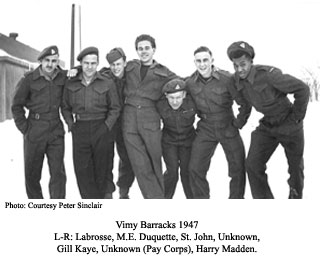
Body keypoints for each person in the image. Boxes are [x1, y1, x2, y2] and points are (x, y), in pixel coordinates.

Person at [227, 41, 309, 199]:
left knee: (295, 169)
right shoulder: (235, 81)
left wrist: (296, 118)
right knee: (252, 164)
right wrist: (237, 123)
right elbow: (244, 104)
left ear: (251, 61)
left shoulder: (269, 75)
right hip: (268, 126)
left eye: (243, 64)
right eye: (235, 65)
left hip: (289, 123)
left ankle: (295, 201)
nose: (239, 69)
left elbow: (302, 89)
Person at [186, 46, 251, 199]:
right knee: (195, 168)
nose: (202, 64)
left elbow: (244, 103)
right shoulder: (190, 82)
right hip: (205, 128)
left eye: (205, 60)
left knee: (238, 167)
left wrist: (238, 124)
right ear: (194, 62)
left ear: (212, 60)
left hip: (227, 126)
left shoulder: (227, 78)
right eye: (198, 61)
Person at [62, 46, 121, 199]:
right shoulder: (71, 83)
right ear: (81, 63)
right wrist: (71, 125)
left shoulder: (106, 82)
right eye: (86, 63)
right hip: (80, 128)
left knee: (103, 168)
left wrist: (106, 127)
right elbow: (65, 107)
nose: (89, 67)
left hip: (101, 127)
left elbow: (115, 108)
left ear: (98, 64)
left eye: (93, 63)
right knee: (82, 169)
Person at [123, 34, 177, 199]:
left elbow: (182, 83)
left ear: (154, 49)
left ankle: (158, 198)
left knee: (155, 161)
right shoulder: (130, 66)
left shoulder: (163, 71)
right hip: (129, 118)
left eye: (147, 48)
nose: (144, 51)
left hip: (150, 118)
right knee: (139, 163)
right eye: (140, 48)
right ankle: (155, 200)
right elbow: (111, 70)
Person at [11, 45, 67, 198]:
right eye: (47, 60)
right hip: (35, 129)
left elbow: (79, 71)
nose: (50, 64)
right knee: (32, 174)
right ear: (41, 61)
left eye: (54, 61)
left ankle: (58, 207)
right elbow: (16, 106)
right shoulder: (29, 79)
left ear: (58, 62)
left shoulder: (62, 76)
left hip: (55, 129)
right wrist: (25, 128)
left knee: (58, 174)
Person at [102, 48, 135, 199]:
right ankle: (107, 191)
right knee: (106, 157)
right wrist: (76, 69)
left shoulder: (132, 76)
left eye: (118, 64)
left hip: (126, 122)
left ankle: (124, 189)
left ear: (125, 63)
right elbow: (86, 71)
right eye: (112, 64)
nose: (115, 68)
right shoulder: (104, 75)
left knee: (128, 157)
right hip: (108, 121)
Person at [156, 78, 197, 198]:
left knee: (187, 172)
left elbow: (206, 116)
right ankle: (164, 199)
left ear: (184, 95)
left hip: (188, 141)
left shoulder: (192, 102)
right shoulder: (160, 105)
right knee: (172, 172)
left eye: (178, 97)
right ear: (166, 96)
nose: (175, 102)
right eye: (171, 98)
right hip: (169, 141)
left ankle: (192, 199)